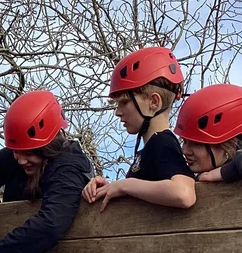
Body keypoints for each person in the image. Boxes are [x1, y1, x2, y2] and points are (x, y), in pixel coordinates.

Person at [0, 90, 94, 253]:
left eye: (28, 152)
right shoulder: (11, 159)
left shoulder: (68, 167)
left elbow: (50, 224)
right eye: (15, 151)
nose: (20, 160)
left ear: (49, 146)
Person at [82, 47, 196, 211]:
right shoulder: (150, 148)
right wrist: (111, 187)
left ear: (153, 102)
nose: (117, 112)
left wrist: (124, 185)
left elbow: (184, 193)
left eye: (124, 102)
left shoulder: (162, 142)